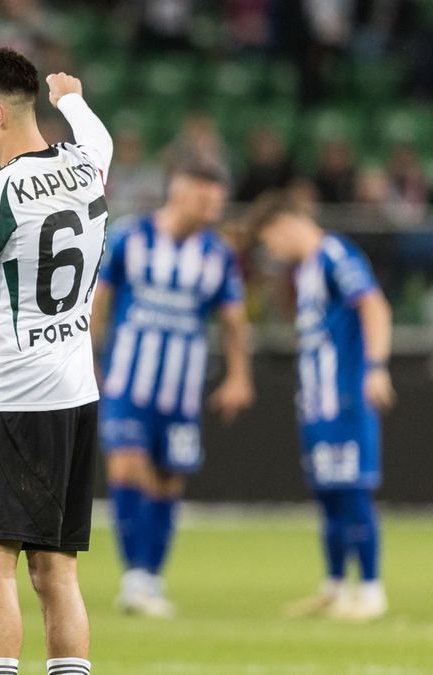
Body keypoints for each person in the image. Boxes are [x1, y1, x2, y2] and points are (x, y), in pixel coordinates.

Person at [0, 48, 111, 675]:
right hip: (76, 392)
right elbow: (97, 136)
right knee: (56, 567)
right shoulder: (87, 166)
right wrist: (71, 97)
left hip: (15, 398)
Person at [91, 158, 253, 618]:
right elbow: (99, 300)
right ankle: (135, 578)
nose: (214, 208)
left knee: (167, 480)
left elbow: (234, 320)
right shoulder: (130, 237)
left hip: (181, 391)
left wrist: (240, 375)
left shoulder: (217, 254)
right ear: (180, 192)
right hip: (127, 382)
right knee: (125, 468)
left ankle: (151, 579)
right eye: (207, 198)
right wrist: (88, 358)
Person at [245, 189, 394, 621]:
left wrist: (377, 366)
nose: (271, 251)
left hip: (345, 398)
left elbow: (374, 305)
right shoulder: (307, 271)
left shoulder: (335, 254)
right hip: (315, 404)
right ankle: (334, 587)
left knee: (352, 491)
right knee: (328, 495)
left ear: (286, 223)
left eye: (270, 240)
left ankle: (370, 590)